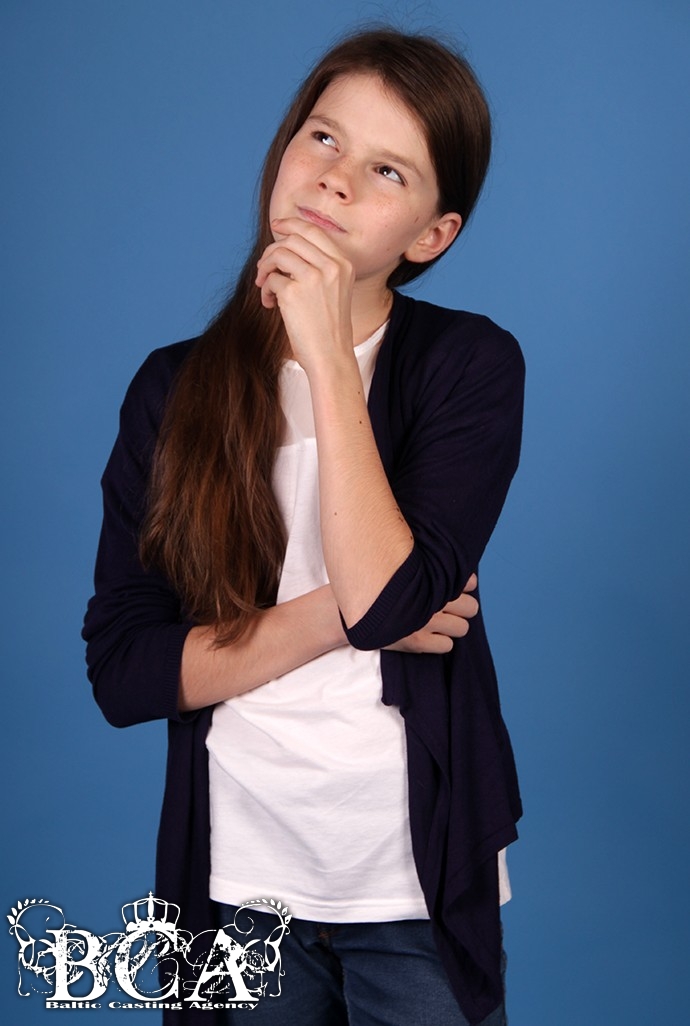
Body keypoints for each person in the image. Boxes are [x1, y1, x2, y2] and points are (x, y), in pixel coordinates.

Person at [83, 27, 524, 1026]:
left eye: (386, 170)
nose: (335, 179)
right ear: (285, 149)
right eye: (323, 138)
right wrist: (341, 615)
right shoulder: (171, 389)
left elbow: (391, 599)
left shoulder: (469, 365)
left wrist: (325, 354)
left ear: (430, 236)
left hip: (412, 882)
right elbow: (125, 672)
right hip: (239, 885)